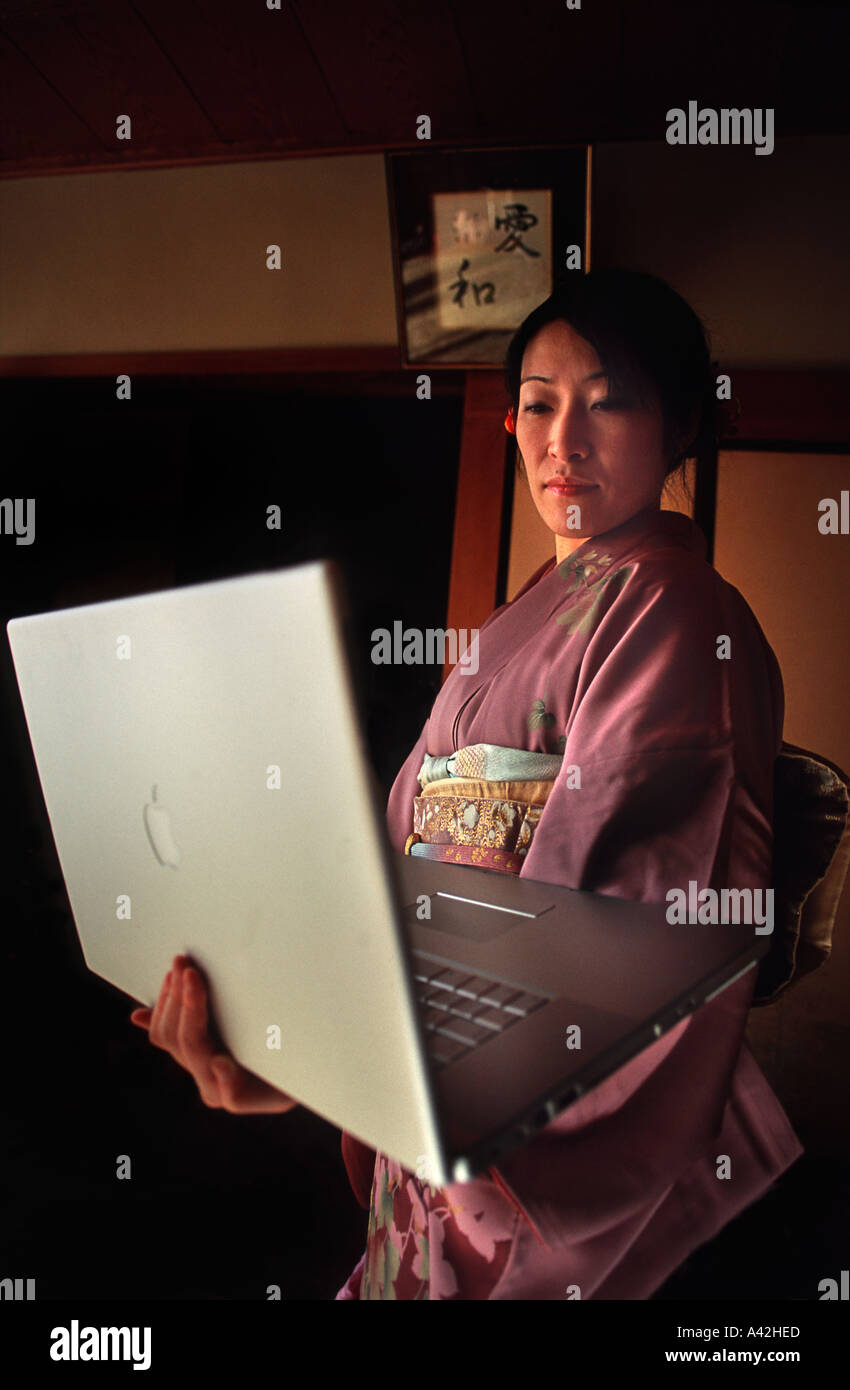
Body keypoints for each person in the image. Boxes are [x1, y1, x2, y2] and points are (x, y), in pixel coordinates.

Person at [131, 269, 803, 1300]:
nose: (561, 439)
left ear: (678, 427)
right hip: (433, 1131)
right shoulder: (508, 626)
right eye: (537, 402)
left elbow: (626, 936)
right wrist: (291, 1035)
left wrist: (346, 1055)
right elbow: (399, 882)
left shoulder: (673, 608)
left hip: (504, 1146)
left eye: (608, 398)